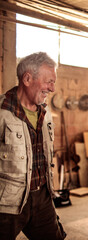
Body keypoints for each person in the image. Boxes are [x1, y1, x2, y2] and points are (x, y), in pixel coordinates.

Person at [0, 52, 66, 239]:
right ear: (27, 78)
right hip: (6, 202)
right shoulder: (2, 112)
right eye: (49, 82)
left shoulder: (46, 115)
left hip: (42, 197)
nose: (52, 89)